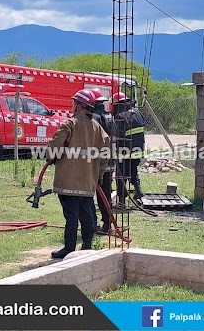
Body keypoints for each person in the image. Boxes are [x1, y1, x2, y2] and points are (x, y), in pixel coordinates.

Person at [47, 89, 109, 258]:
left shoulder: (70, 124)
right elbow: (105, 156)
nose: (72, 105)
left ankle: (68, 249)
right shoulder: (99, 129)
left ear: (79, 105)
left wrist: (51, 159)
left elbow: (54, 147)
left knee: (71, 216)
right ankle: (87, 246)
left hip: (68, 182)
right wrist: (98, 176)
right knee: (86, 214)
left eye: (74, 103)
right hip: (88, 182)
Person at [89, 88, 117, 233]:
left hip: (98, 163)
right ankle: (107, 223)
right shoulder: (110, 116)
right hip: (110, 161)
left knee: (93, 194)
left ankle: (96, 225)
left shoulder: (95, 118)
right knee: (106, 194)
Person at [111, 92, 146, 207]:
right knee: (133, 171)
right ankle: (138, 194)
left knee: (121, 175)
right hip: (138, 150)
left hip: (125, 151)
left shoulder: (120, 116)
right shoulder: (137, 112)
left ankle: (121, 201)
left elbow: (117, 136)